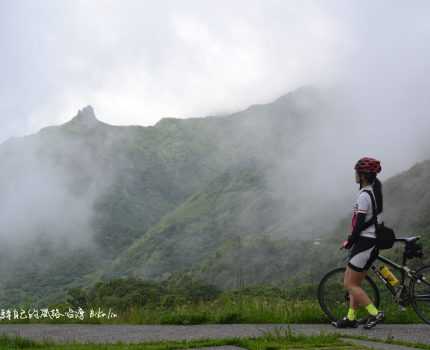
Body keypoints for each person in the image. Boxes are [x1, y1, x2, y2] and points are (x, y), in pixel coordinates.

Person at [332, 157, 385, 329]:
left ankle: (375, 313)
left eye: (357, 172)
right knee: (354, 284)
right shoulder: (372, 192)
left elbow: (360, 223)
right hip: (368, 242)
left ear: (362, 175)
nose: (355, 175)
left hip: (365, 243)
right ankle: (351, 318)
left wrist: (350, 241)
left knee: (349, 284)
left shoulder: (364, 195)